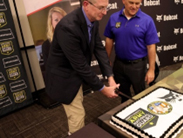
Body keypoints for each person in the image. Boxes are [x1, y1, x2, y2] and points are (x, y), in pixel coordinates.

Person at [45, 0, 119, 135]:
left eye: (106, 7)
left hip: (75, 74)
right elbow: (80, 65)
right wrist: (103, 89)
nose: (105, 12)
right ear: (86, 4)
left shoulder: (93, 19)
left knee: (77, 110)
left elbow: (99, 49)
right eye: (101, 8)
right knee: (77, 118)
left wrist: (110, 77)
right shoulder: (67, 27)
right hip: (64, 80)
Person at [104, 0, 159, 103]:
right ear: (124, 1)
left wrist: (151, 69)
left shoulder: (147, 20)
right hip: (119, 64)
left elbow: (151, 46)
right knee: (123, 93)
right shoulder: (114, 18)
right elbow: (109, 39)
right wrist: (106, 59)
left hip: (137, 66)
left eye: (137, 3)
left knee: (140, 94)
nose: (134, 6)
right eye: (131, 3)